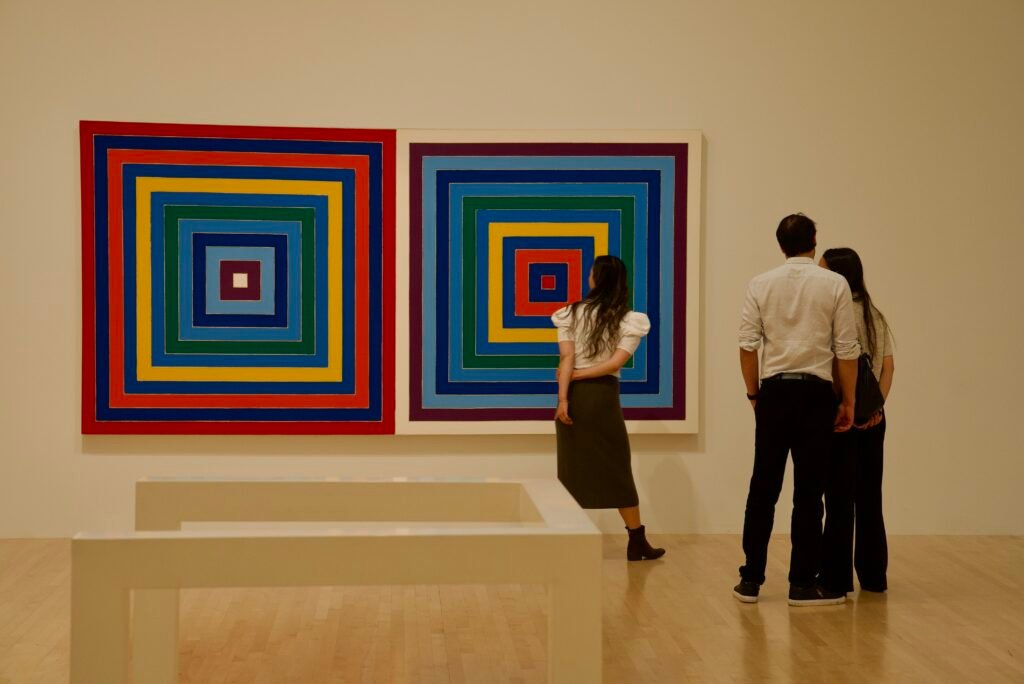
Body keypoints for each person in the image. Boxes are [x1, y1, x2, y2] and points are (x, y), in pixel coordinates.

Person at [733, 214, 861, 606]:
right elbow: (846, 349)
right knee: (809, 493)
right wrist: (849, 401)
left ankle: (751, 579)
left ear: (780, 244)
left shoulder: (760, 283)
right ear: (814, 239)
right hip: (817, 394)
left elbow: (747, 345)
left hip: (773, 392)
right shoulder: (834, 284)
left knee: (763, 488)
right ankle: (801, 584)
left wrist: (754, 395)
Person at [552, 254, 665, 562]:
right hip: (603, 397)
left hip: (573, 396)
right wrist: (578, 377)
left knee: (572, 470)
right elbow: (615, 363)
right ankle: (636, 540)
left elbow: (566, 359)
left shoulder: (569, 313)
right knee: (618, 467)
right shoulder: (628, 319)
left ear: (595, 278)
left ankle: (566, 542)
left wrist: (564, 397)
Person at [819, 247, 895, 594]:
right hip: (874, 417)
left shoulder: (837, 312)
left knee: (838, 498)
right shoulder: (874, 313)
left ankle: (836, 579)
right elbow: (888, 367)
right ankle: (874, 576)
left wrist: (846, 406)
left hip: (842, 415)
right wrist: (875, 408)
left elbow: (841, 364)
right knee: (869, 498)